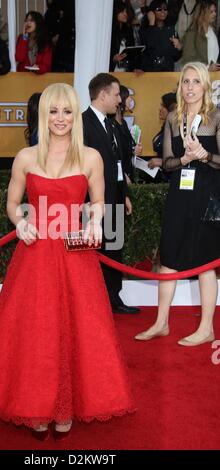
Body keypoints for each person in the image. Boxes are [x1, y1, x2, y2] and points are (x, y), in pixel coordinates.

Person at [0, 83, 135, 440]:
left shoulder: (91, 157)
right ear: (44, 115)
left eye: (67, 111)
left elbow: (99, 202)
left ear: (76, 115)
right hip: (36, 253)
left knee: (78, 329)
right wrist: (21, 221)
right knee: (36, 332)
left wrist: (95, 224)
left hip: (76, 254)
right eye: (53, 111)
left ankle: (66, 406)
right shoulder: (26, 158)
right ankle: (35, 405)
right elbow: (12, 204)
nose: (61, 119)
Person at [135, 61, 220, 346]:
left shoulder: (216, 117)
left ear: (205, 85)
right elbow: (168, 163)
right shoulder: (173, 117)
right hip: (180, 192)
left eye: (196, 82)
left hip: (208, 193)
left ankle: (207, 327)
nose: (190, 87)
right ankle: (161, 322)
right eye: (185, 81)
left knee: (206, 259)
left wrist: (205, 156)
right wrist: (184, 159)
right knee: (169, 255)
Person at [82, 73, 139, 314]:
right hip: (90, 202)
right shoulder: (81, 123)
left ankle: (113, 298)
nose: (120, 100)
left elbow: (119, 164)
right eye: (116, 94)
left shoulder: (113, 125)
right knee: (90, 252)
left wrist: (124, 193)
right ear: (103, 94)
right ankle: (90, 302)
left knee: (114, 249)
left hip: (114, 198)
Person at [181, 0, 220, 70]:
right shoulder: (192, 33)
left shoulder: (213, 32)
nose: (214, 14)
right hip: (199, 75)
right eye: (211, 12)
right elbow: (188, 59)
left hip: (214, 75)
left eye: (215, 11)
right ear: (202, 13)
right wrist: (207, 67)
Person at [147, 91, 177, 181]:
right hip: (162, 177)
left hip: (172, 178)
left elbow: (184, 157)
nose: (160, 109)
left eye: (163, 106)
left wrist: (162, 162)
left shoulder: (177, 130)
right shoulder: (165, 127)